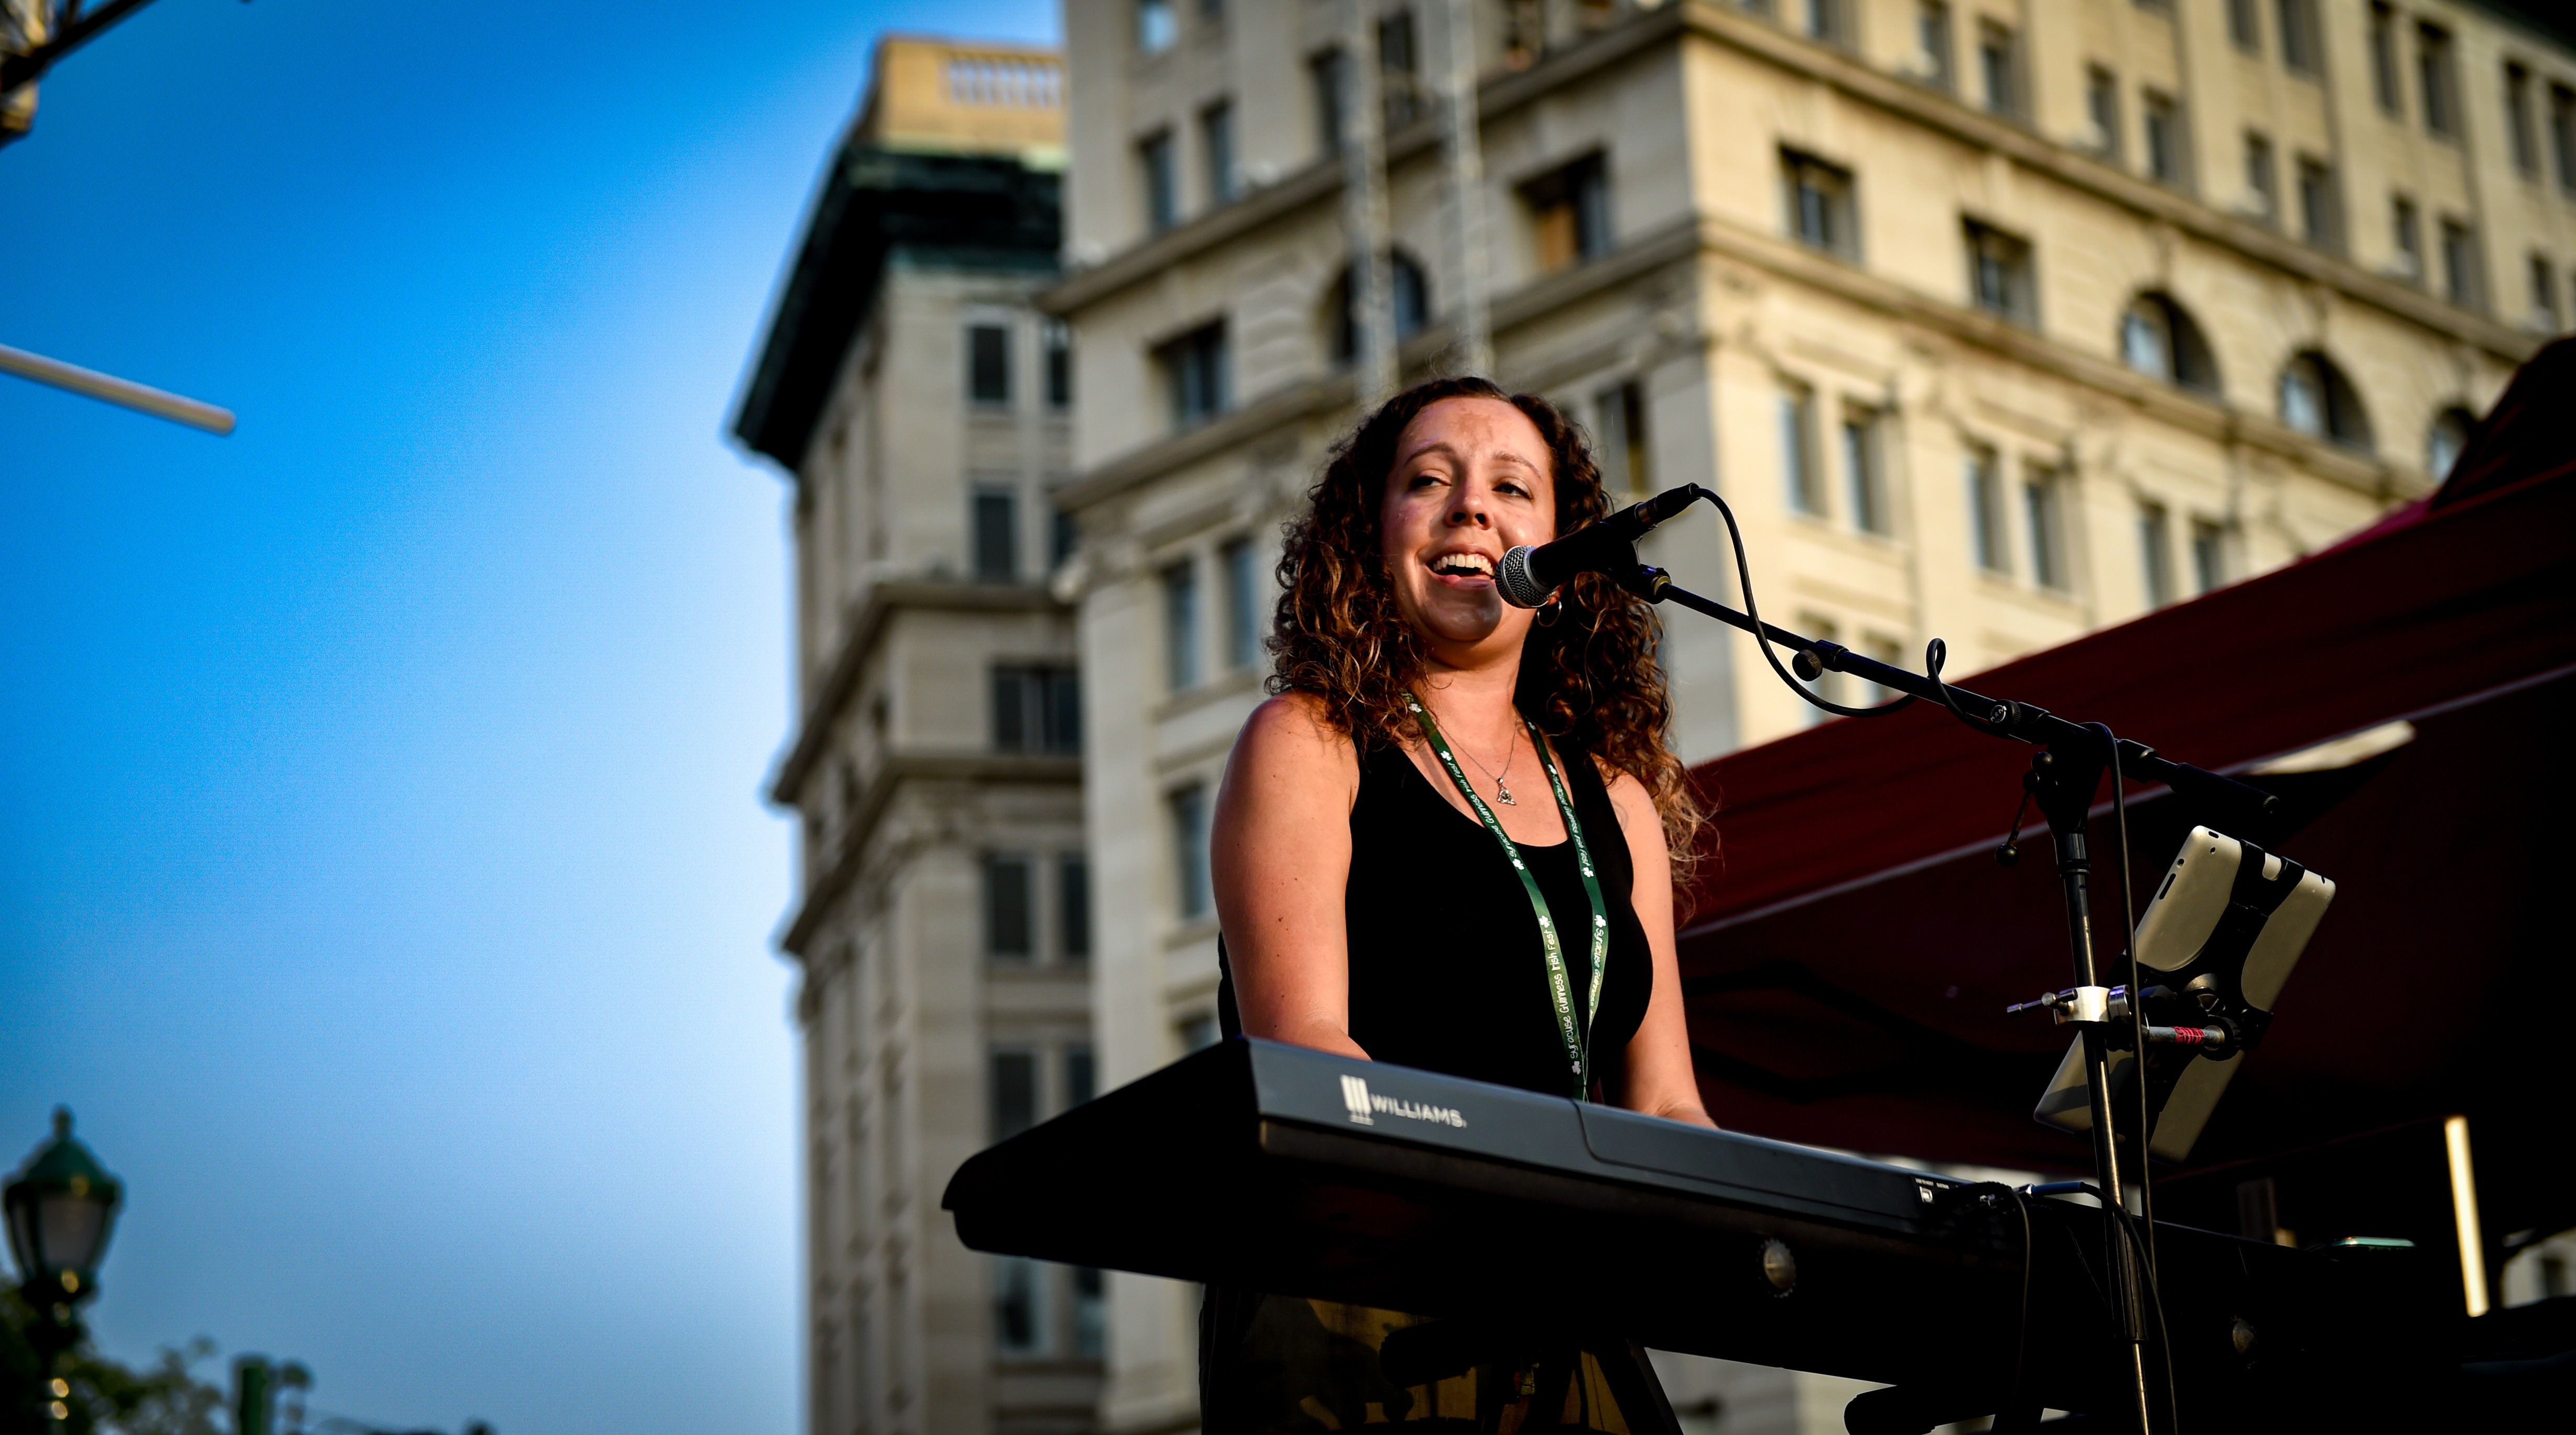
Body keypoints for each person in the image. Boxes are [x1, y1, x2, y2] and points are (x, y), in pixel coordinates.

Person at [1201, 376, 1715, 1432]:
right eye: (1427, 480)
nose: (1471, 507)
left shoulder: (1614, 793)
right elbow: (1309, 1054)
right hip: (1358, 1299)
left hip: (1570, 1306)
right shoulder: (1309, 741)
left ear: (1565, 566)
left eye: (1511, 488)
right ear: (1371, 533)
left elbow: (1665, 1103)